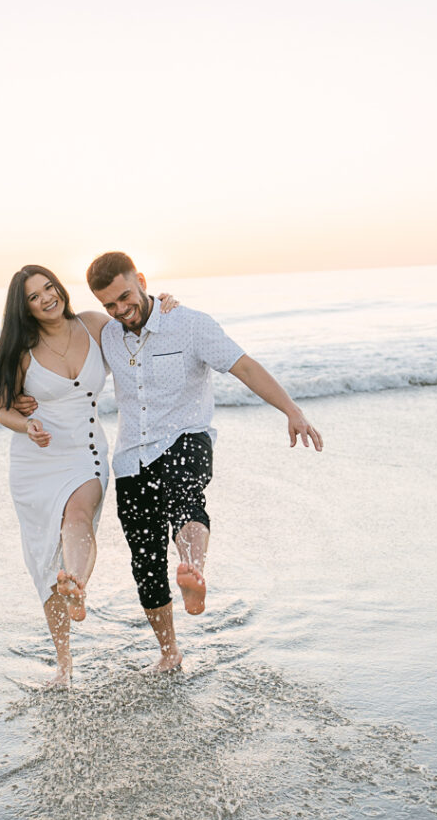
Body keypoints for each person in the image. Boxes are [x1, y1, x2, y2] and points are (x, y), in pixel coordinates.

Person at [81, 251, 324, 674]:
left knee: (186, 499)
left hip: (185, 438)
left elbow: (244, 366)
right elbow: (61, 327)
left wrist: (292, 410)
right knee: (146, 560)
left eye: (125, 297)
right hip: (130, 460)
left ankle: (193, 567)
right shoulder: (108, 335)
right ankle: (169, 652)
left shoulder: (190, 324)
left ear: (140, 279)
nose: (121, 310)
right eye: (110, 306)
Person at [0, 265, 178, 688]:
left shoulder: (94, 325)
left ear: (59, 288)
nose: (46, 298)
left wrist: (165, 306)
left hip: (87, 452)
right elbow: (3, 408)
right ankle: (64, 664)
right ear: (24, 308)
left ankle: (75, 582)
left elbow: (138, 325)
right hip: (35, 461)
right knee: (43, 558)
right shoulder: (20, 350)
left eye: (48, 287)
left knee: (79, 515)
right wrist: (27, 425)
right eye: (34, 296)